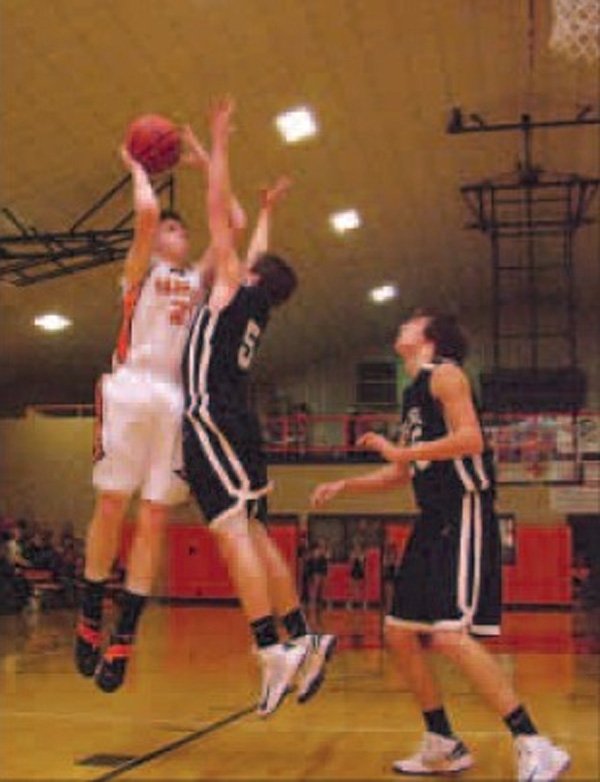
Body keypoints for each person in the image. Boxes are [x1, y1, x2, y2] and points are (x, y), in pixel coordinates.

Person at [311, 310, 570, 781]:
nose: (402, 327)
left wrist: (401, 452)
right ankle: (443, 742)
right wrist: (346, 483)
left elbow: (469, 440)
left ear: (429, 338)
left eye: (412, 322)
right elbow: (400, 472)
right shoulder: (412, 394)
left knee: (450, 634)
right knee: (398, 631)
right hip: (431, 521)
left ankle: (534, 742)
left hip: (463, 511)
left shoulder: (445, 374)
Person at [182, 97, 335, 718]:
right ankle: (300, 632)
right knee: (254, 530)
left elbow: (221, 215)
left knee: (230, 531)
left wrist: (217, 145)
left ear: (248, 276)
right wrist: (267, 211)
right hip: (239, 420)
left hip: (210, 415)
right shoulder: (257, 302)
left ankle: (270, 645)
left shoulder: (229, 290)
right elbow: (253, 248)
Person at [75, 145, 204, 693]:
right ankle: (89, 609)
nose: (172, 234)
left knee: (153, 520)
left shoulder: (198, 281)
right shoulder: (139, 272)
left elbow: (230, 232)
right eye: (168, 230)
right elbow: (147, 216)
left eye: (179, 231)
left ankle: (124, 634)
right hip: (130, 387)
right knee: (111, 504)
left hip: (174, 399)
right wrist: (136, 169)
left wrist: (208, 158)